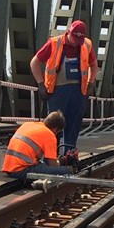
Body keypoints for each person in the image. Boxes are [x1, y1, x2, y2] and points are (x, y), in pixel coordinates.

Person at [30, 20, 95, 166]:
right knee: (54, 127)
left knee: (74, 125)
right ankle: (51, 158)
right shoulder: (54, 43)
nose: (76, 43)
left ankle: (69, 157)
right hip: (58, 91)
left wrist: (91, 82)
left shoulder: (86, 44)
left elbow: (93, 64)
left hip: (78, 92)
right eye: (74, 38)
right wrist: (40, 84)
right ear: (68, 33)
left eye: (80, 39)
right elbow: (34, 62)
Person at [0, 110, 72, 180]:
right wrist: (62, 163)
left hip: (8, 168)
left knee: (43, 167)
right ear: (55, 129)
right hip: (21, 170)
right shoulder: (49, 135)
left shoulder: (28, 125)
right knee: (66, 171)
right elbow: (52, 165)